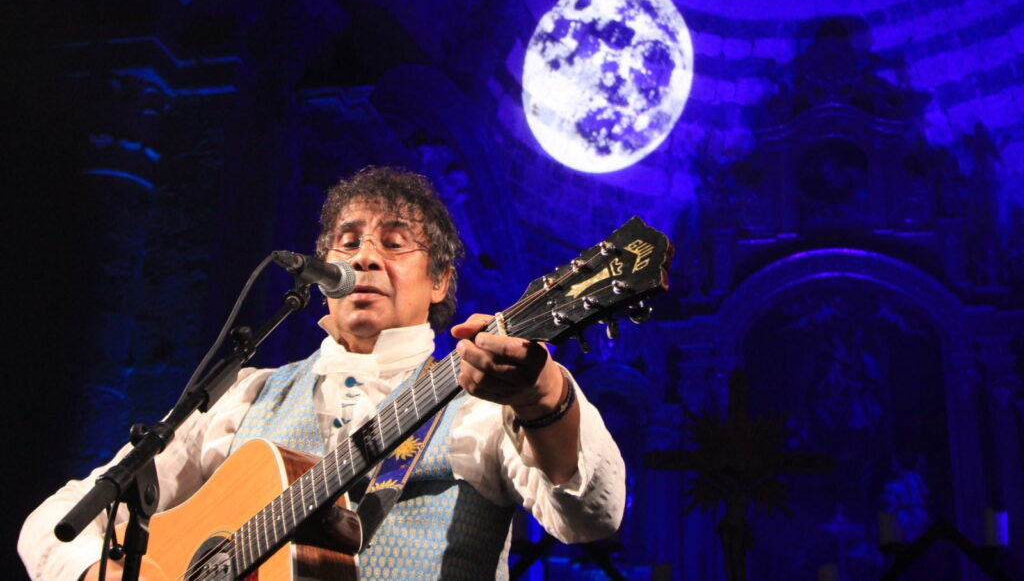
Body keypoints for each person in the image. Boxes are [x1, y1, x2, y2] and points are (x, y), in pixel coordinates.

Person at [19, 166, 626, 580]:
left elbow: (591, 516)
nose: (365, 257)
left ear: (441, 281)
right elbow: (58, 523)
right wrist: (102, 573)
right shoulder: (247, 393)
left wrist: (543, 395)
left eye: (395, 242)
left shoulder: (484, 402)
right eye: (348, 242)